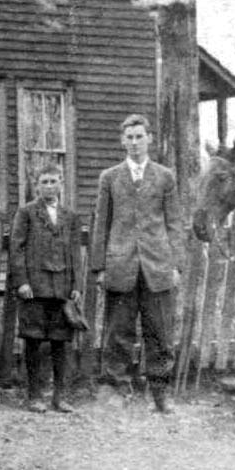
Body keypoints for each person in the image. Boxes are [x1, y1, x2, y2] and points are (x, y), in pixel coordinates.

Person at [91, 113, 184, 413]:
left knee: (160, 332)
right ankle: (114, 391)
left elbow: (174, 224)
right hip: (121, 265)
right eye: (129, 138)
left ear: (149, 139)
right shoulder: (110, 178)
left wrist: (176, 265)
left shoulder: (165, 177)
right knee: (118, 332)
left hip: (157, 267)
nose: (134, 143)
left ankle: (160, 393)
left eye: (139, 137)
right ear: (122, 141)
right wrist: (100, 267)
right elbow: (101, 224)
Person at [10, 163, 82, 413]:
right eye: (44, 182)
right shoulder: (26, 212)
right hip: (34, 288)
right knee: (34, 342)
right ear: (36, 185)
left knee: (60, 342)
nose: (49, 186)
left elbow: (74, 252)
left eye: (53, 181)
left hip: (61, 288)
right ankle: (35, 395)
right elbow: (16, 249)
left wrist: (76, 285)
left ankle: (59, 397)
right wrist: (22, 282)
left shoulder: (70, 216)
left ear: (62, 183)